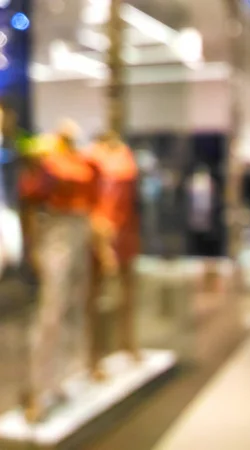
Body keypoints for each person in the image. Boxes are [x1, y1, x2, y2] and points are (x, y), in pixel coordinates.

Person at [19, 120, 96, 422]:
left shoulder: (81, 159)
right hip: (56, 230)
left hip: (81, 228)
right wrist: (32, 246)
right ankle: (38, 389)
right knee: (50, 311)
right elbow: (29, 202)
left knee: (73, 307)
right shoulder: (46, 159)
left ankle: (60, 378)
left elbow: (90, 198)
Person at [86, 132, 140, 380]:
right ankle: (94, 358)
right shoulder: (92, 158)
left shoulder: (124, 156)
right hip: (101, 228)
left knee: (126, 293)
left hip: (124, 229)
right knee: (96, 299)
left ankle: (126, 342)